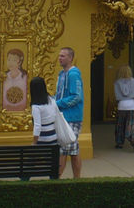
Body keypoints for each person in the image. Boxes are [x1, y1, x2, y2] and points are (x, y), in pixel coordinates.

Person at [56, 46, 84, 178]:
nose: (59, 58)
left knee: (65, 149)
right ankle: (75, 178)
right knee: (71, 149)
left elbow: (77, 97)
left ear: (70, 58)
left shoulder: (73, 74)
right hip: (62, 116)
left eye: (63, 56)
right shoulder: (62, 74)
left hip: (72, 116)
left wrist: (57, 104)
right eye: (59, 55)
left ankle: (58, 177)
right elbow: (59, 94)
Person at [114, 65, 134, 152]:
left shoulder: (117, 82)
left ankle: (119, 143)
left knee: (120, 125)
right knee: (132, 125)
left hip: (121, 105)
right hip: (132, 105)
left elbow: (116, 96)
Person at [30, 76, 58, 146]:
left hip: (43, 137)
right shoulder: (51, 100)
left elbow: (37, 126)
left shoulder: (36, 106)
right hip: (53, 135)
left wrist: (34, 142)